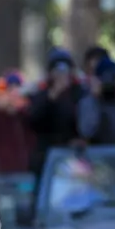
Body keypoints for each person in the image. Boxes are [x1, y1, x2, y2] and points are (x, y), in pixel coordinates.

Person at [26, 48, 86, 185]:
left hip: (74, 158)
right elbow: (34, 120)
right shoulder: (40, 94)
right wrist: (52, 95)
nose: (61, 74)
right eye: (57, 70)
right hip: (46, 158)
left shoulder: (80, 93)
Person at [78, 57, 115, 145]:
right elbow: (86, 131)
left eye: (114, 78)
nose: (110, 83)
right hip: (101, 154)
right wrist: (93, 98)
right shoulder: (88, 100)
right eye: (105, 79)